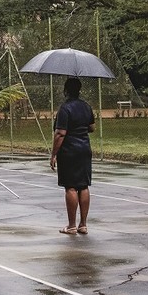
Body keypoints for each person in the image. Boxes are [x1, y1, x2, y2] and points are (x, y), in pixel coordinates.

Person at [49, 76, 95, 235]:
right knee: (83, 185)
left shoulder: (65, 108)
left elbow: (60, 134)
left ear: (66, 91)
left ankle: (71, 225)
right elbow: (92, 127)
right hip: (84, 150)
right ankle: (83, 224)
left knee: (70, 186)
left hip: (69, 151)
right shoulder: (86, 106)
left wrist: (53, 154)